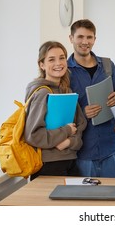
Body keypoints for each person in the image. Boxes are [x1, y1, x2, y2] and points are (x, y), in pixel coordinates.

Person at [67, 19, 115, 178]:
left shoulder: (107, 65)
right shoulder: (65, 71)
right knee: (86, 201)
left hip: (111, 148)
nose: (85, 42)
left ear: (94, 39)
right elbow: (62, 114)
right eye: (80, 37)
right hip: (83, 152)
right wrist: (82, 113)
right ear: (71, 38)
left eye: (89, 37)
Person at [24, 41, 87, 180]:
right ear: (42, 65)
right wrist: (66, 131)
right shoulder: (41, 94)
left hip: (69, 162)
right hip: (48, 165)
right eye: (51, 59)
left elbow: (80, 126)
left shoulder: (67, 91)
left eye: (62, 57)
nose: (58, 63)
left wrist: (69, 142)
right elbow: (33, 135)